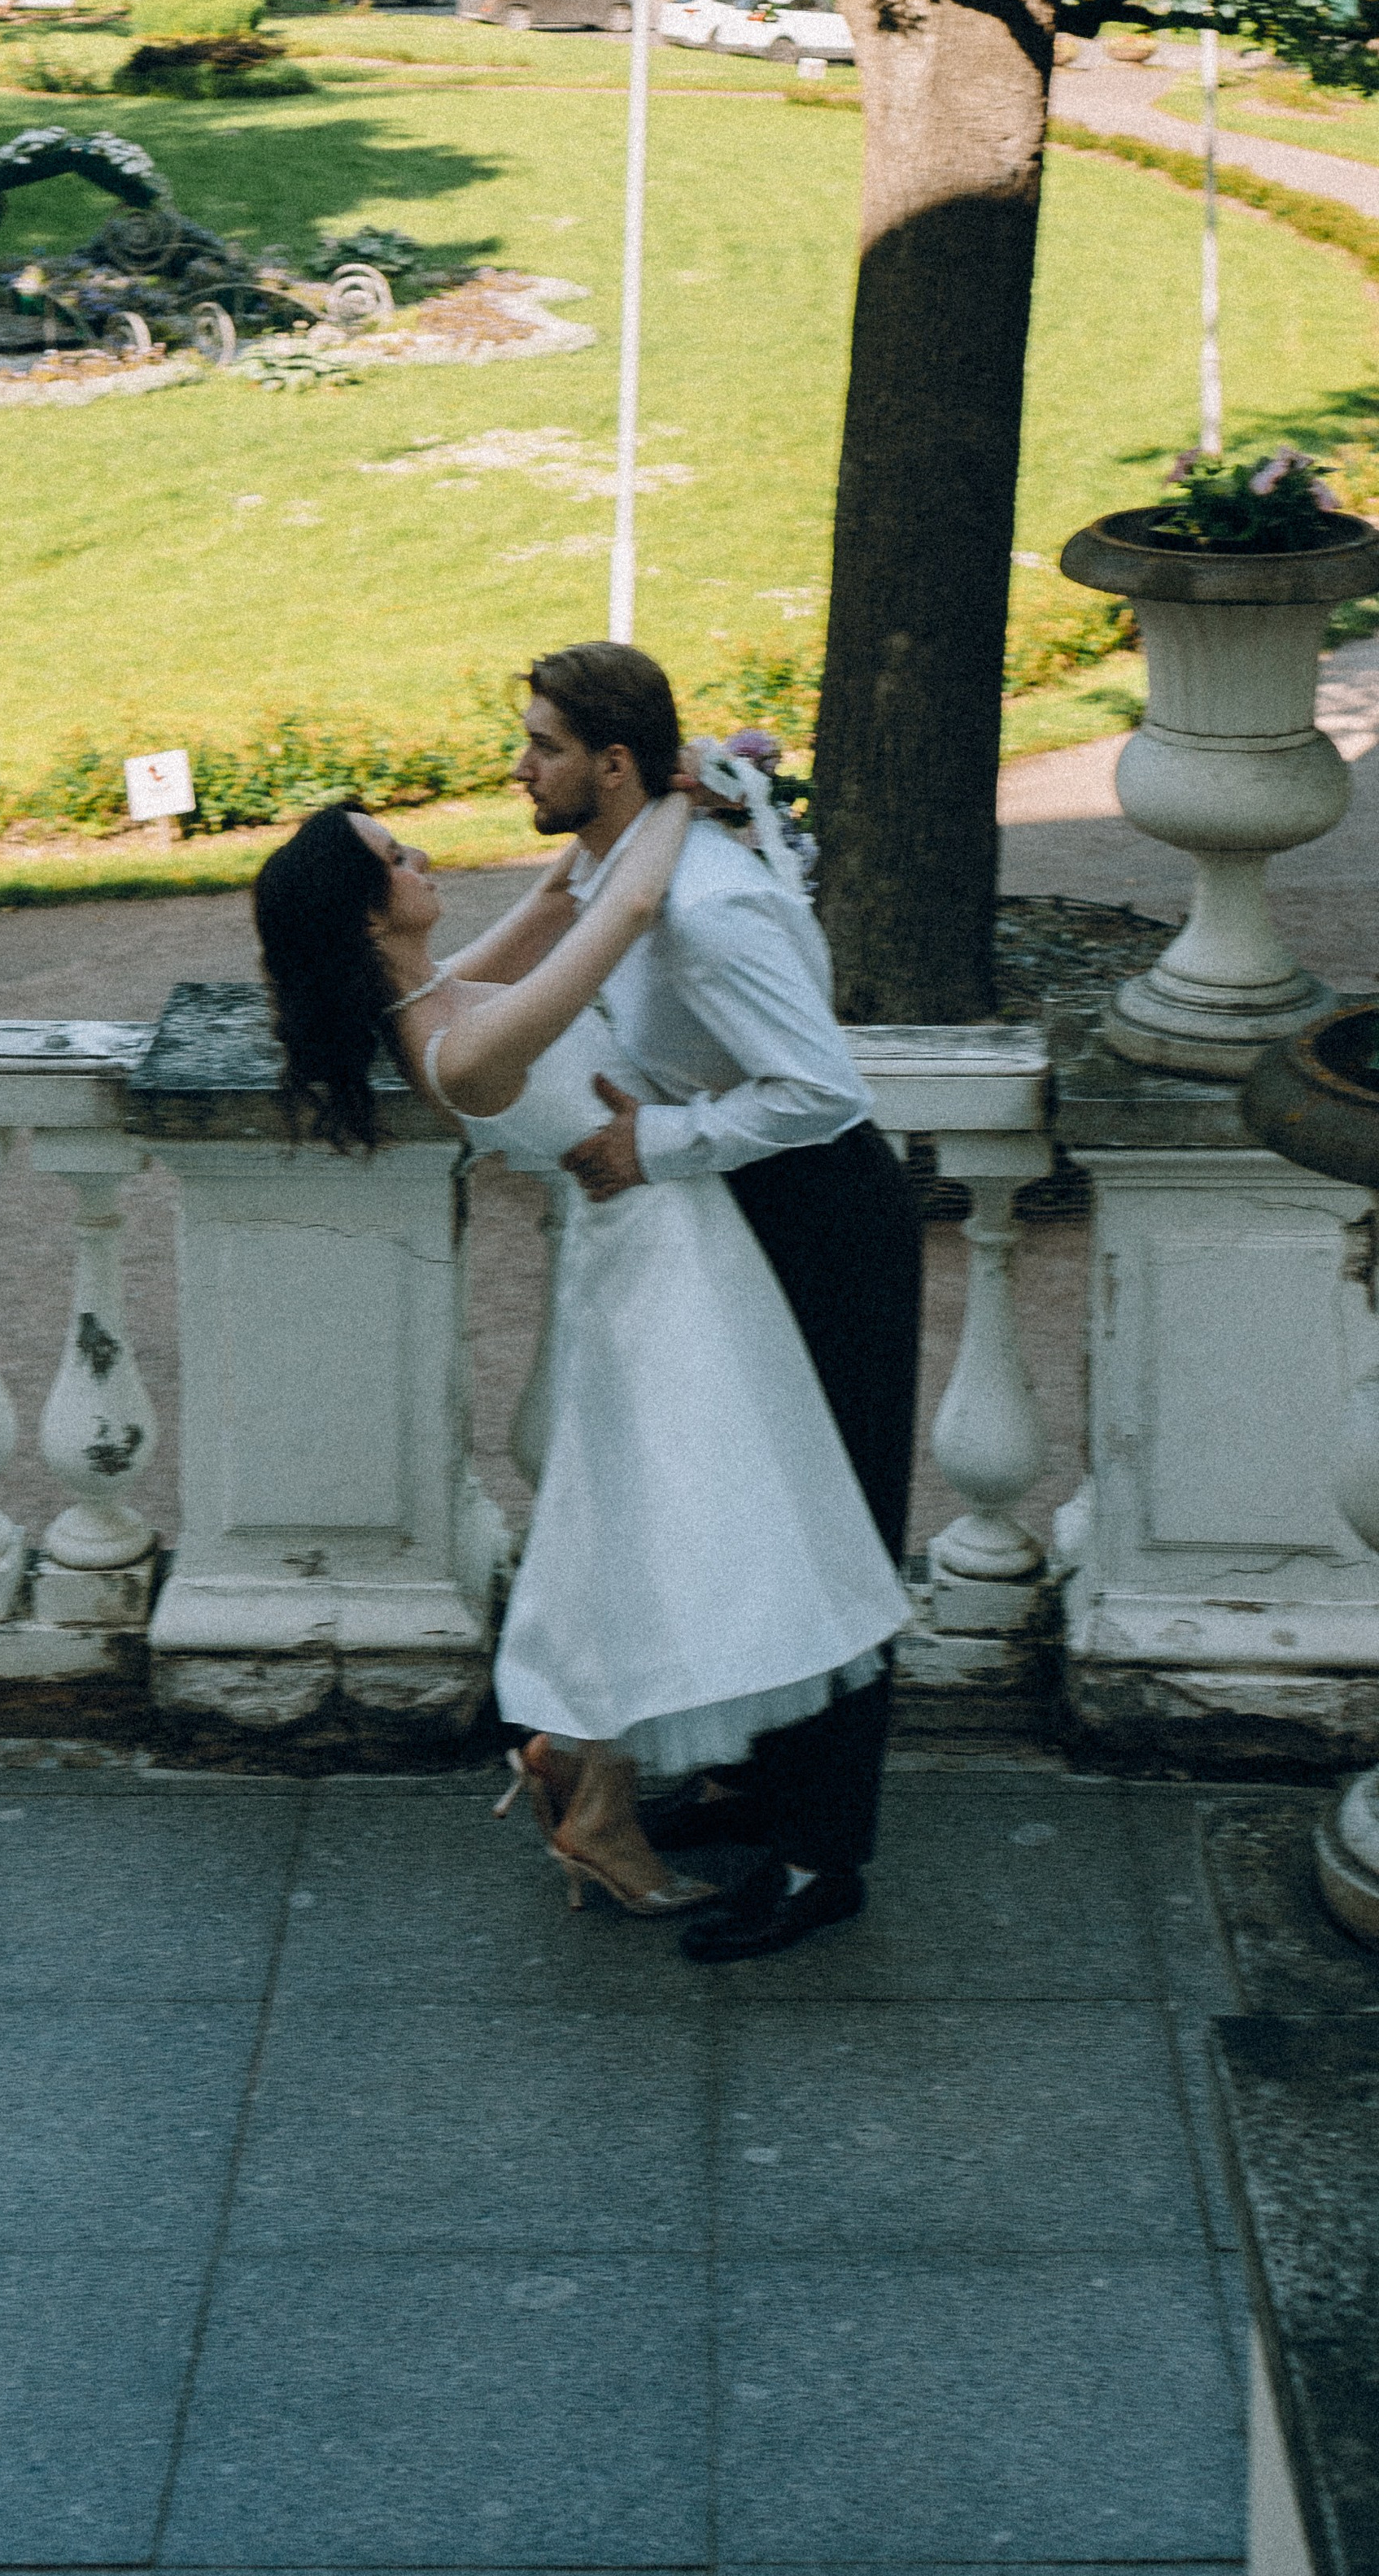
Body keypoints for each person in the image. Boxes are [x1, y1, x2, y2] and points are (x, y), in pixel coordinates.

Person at [251, 740, 912, 1950]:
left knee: (666, 1532)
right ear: (364, 912)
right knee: (713, 1533)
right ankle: (616, 1799)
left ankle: (609, 1779)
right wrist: (668, 795)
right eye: (395, 857)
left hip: (661, 1253)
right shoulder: (464, 1045)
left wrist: (697, 781)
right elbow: (629, 906)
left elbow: (567, 895)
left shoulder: (436, 994)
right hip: (667, 1269)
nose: (422, 852)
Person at [513, 640, 926, 1957]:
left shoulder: (707, 906)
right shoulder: (622, 864)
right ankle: (752, 1786)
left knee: (830, 1533)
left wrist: (657, 1147)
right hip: (741, 1218)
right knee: (745, 1516)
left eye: (543, 746)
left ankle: (822, 1860)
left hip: (825, 1225)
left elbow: (822, 1089)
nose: (520, 766)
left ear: (615, 764)